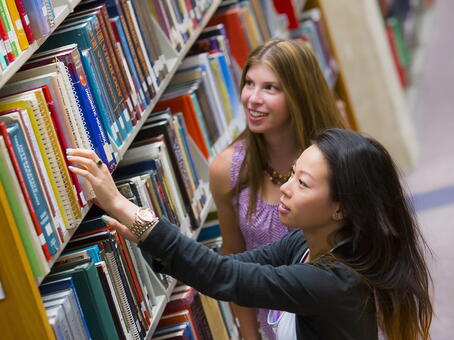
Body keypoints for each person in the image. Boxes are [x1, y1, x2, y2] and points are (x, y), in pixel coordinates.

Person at [67, 128, 433, 340]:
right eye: (291, 173)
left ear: (341, 208)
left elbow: (226, 278)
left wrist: (122, 205)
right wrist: (146, 234)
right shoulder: (307, 242)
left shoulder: (336, 282)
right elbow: (227, 267)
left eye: (303, 183)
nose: (285, 188)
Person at [209, 39, 346, 339]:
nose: (252, 99)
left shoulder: (336, 157)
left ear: (298, 94)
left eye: (270, 88)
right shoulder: (226, 170)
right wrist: (249, 333)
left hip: (338, 316)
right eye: (249, 84)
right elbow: (233, 257)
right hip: (274, 325)